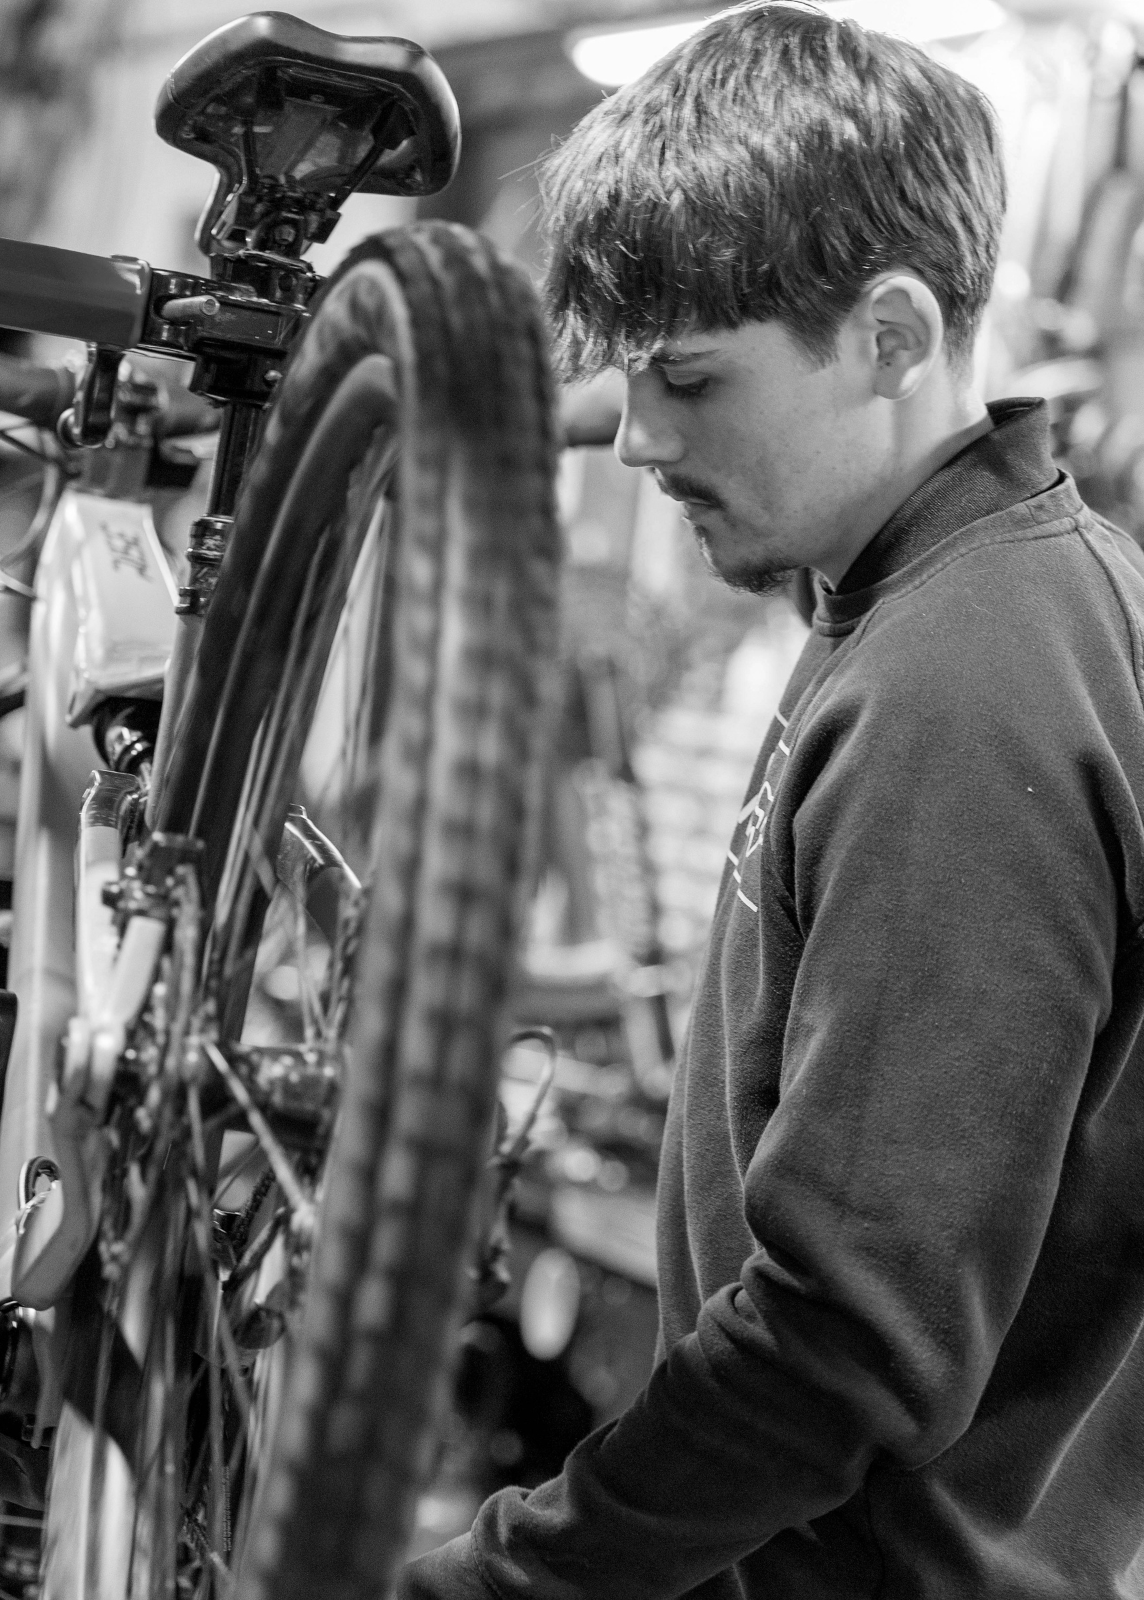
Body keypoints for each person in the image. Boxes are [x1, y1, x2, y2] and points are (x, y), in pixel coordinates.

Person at [398, 4, 1144, 1596]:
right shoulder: (935, 596)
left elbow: (849, 1338)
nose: (640, 439)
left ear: (888, 336)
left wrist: (495, 1577)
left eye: (689, 380)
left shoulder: (965, 682)